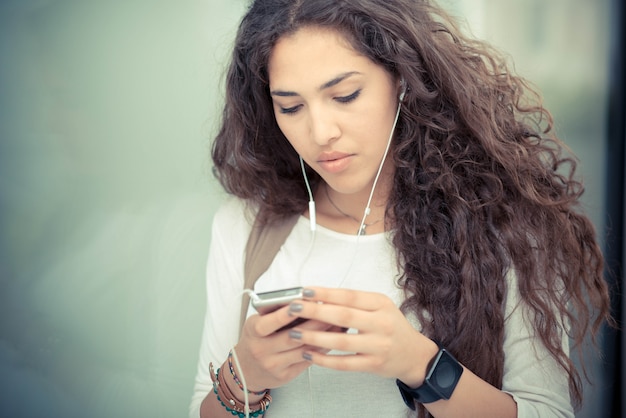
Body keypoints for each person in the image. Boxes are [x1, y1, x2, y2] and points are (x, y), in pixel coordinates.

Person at [190, 0, 612, 417]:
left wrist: (420, 365)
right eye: (291, 107)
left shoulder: (509, 227)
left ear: (402, 79)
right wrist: (245, 373)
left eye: (345, 95)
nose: (320, 132)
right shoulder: (245, 225)